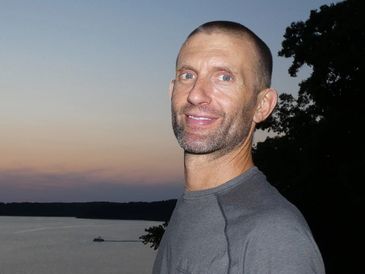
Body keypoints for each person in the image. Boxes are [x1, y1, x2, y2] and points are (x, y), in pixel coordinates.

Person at [153, 21, 325, 274]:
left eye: (224, 77)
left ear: (262, 105)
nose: (196, 94)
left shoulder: (274, 235)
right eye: (187, 75)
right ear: (172, 90)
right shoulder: (195, 206)